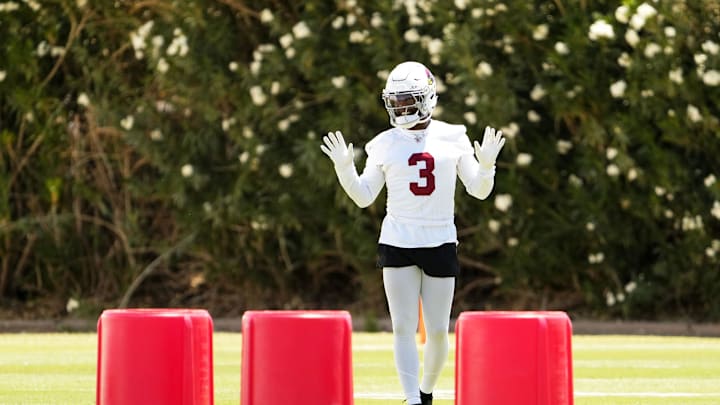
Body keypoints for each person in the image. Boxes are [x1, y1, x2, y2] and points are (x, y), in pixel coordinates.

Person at [320, 61, 505, 405]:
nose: (402, 108)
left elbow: (479, 190)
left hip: (440, 239)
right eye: (397, 102)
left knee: (436, 330)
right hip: (398, 241)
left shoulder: (453, 136)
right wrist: (345, 169)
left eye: (409, 100)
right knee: (403, 326)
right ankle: (412, 400)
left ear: (428, 97)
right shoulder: (384, 143)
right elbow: (363, 196)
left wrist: (487, 166)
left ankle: (427, 391)